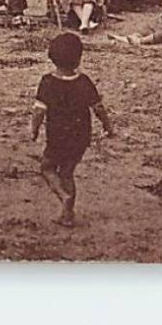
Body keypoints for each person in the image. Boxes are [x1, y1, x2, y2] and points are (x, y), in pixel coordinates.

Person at [30, 32, 113, 227]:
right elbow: (98, 108)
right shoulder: (84, 82)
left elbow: (38, 111)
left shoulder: (48, 82)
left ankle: (63, 196)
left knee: (47, 168)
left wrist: (34, 131)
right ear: (79, 58)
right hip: (81, 137)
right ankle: (67, 214)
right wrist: (108, 126)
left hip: (57, 137)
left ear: (51, 57)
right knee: (67, 172)